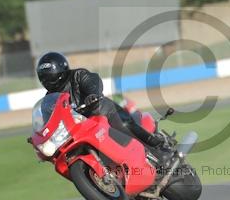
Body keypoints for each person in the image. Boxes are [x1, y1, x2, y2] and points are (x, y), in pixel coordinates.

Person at [35, 52, 171, 164]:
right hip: (80, 131)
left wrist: (93, 94)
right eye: (45, 78)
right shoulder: (48, 102)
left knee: (123, 124)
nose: (48, 80)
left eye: (50, 76)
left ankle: (157, 146)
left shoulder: (77, 76)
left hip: (99, 111)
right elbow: (50, 124)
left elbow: (91, 81)